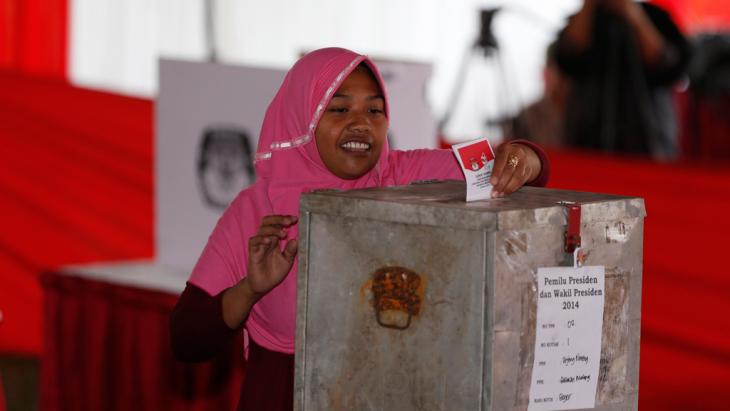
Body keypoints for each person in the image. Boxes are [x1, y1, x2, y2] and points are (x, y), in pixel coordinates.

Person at [170, 47, 550, 411]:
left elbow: (509, 170)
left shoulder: (405, 177)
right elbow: (186, 338)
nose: (361, 123)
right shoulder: (256, 212)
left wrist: (524, 157)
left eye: (375, 109)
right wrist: (250, 289)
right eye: (338, 109)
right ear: (301, 118)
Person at [555, 0, 690, 158]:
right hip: (587, 136)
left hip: (650, 137)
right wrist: (589, 6)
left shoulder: (656, 17)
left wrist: (635, 16)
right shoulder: (583, 19)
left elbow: (668, 64)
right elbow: (568, 56)